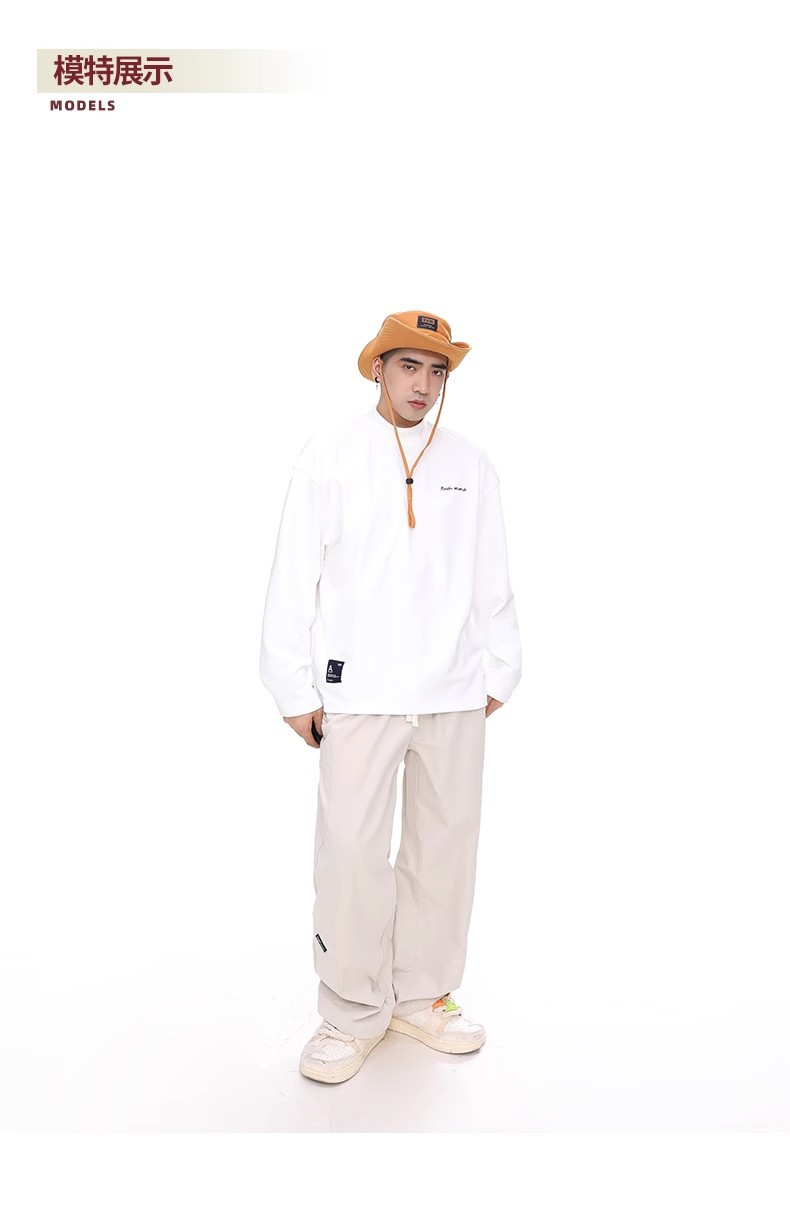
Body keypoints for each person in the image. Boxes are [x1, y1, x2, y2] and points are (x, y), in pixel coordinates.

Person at [259, 309, 522, 1084]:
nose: (424, 384)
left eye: (437, 370)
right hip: (359, 691)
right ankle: (349, 1009)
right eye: (410, 365)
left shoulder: (471, 463)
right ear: (378, 367)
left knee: (445, 847)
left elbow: (492, 572)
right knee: (349, 852)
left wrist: (499, 670)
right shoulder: (330, 455)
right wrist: (291, 683)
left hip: (453, 693)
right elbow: (293, 573)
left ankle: (420, 995)